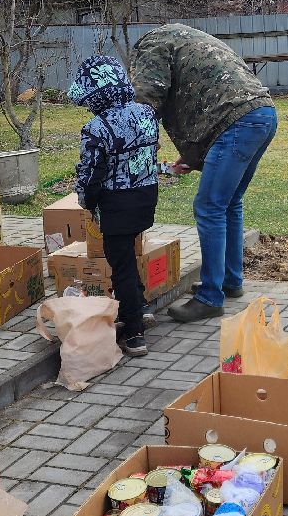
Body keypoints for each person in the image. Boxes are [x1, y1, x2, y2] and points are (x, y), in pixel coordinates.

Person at [130, 24, 277, 323]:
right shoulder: (184, 37)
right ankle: (229, 281)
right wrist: (191, 156)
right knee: (230, 202)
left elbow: (148, 97)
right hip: (262, 113)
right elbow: (207, 92)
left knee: (209, 207)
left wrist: (135, 141)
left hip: (236, 121)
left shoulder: (151, 45)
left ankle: (210, 297)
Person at [69, 54, 160, 357]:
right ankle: (142, 304)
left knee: (119, 264)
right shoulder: (147, 113)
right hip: (146, 196)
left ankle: (134, 333)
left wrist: (87, 201)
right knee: (127, 254)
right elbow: (151, 153)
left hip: (117, 203)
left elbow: (91, 174)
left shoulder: (97, 127)